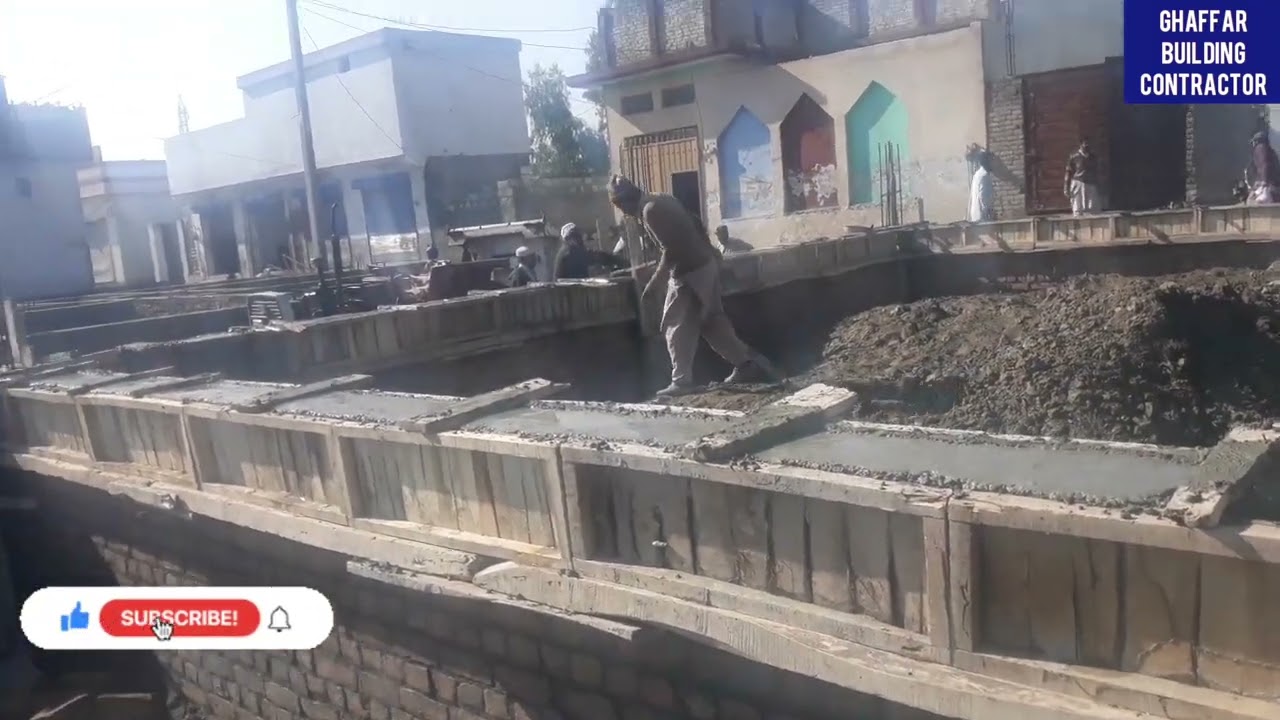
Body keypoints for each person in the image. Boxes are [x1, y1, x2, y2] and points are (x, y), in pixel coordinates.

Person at [608, 174, 781, 397]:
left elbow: (671, 250)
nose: (625, 213)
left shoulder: (650, 211)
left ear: (624, 202)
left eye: (621, 207)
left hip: (687, 273)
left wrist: (655, 282)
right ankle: (747, 364)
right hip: (703, 267)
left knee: (675, 325)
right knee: (711, 323)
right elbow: (692, 226)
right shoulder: (661, 199)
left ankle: (681, 381)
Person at [553, 223, 626, 280]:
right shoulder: (569, 252)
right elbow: (596, 256)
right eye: (575, 236)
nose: (579, 239)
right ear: (568, 239)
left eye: (578, 235)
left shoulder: (566, 251)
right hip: (572, 293)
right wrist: (618, 261)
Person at [1064, 139, 1100, 216]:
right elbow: (1068, 172)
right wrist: (1066, 187)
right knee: (1078, 207)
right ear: (1081, 145)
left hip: (1090, 183)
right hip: (1078, 183)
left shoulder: (1093, 157)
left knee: (1092, 208)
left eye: (1088, 145)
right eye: (1085, 144)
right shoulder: (1074, 157)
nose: (1087, 146)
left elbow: (1097, 171)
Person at [1247, 131, 1280, 204]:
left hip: (1268, 186)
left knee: (1252, 202)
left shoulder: (1261, 148)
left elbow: (1264, 164)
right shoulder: (1271, 151)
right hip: (1273, 185)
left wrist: (1263, 182)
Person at [968, 151, 995, 222]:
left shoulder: (976, 175)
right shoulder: (984, 175)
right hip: (982, 216)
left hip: (975, 214)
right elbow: (982, 196)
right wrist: (988, 212)